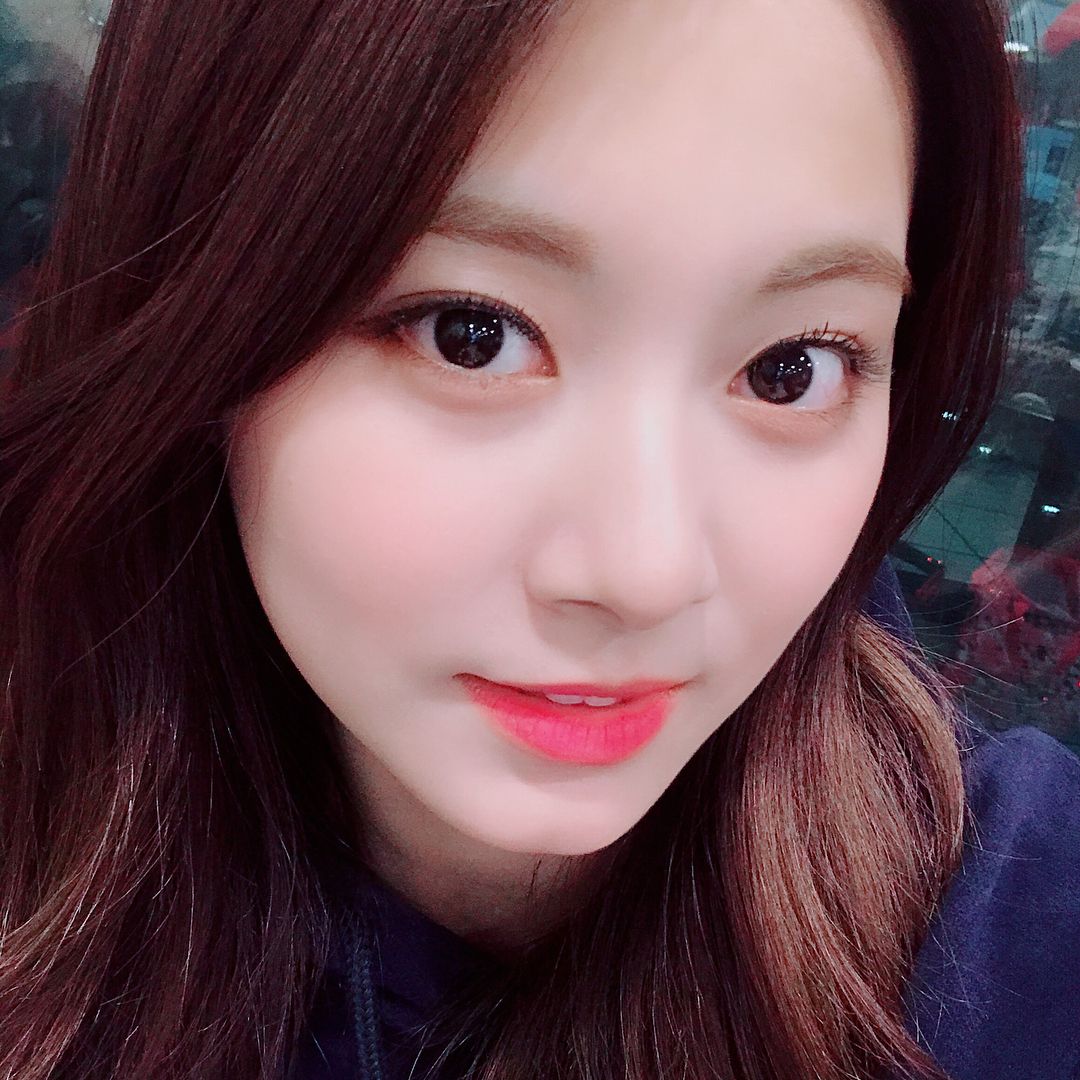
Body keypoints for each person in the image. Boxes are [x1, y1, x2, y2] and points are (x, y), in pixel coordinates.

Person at [0, 0, 1076, 1078]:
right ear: (195, 333)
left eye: (791, 369)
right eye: (471, 337)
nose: (645, 574)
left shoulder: (1024, 920)